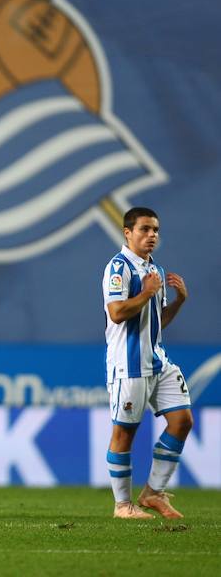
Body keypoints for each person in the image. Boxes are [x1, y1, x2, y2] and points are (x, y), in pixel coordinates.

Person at [103, 206, 192, 519]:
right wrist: (146, 293)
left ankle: (153, 493)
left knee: (182, 421)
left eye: (155, 229)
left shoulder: (154, 269)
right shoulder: (119, 268)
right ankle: (122, 506)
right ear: (128, 232)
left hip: (157, 359)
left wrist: (178, 301)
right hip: (129, 364)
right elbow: (117, 312)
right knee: (124, 433)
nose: (151, 235)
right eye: (144, 229)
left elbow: (156, 321)